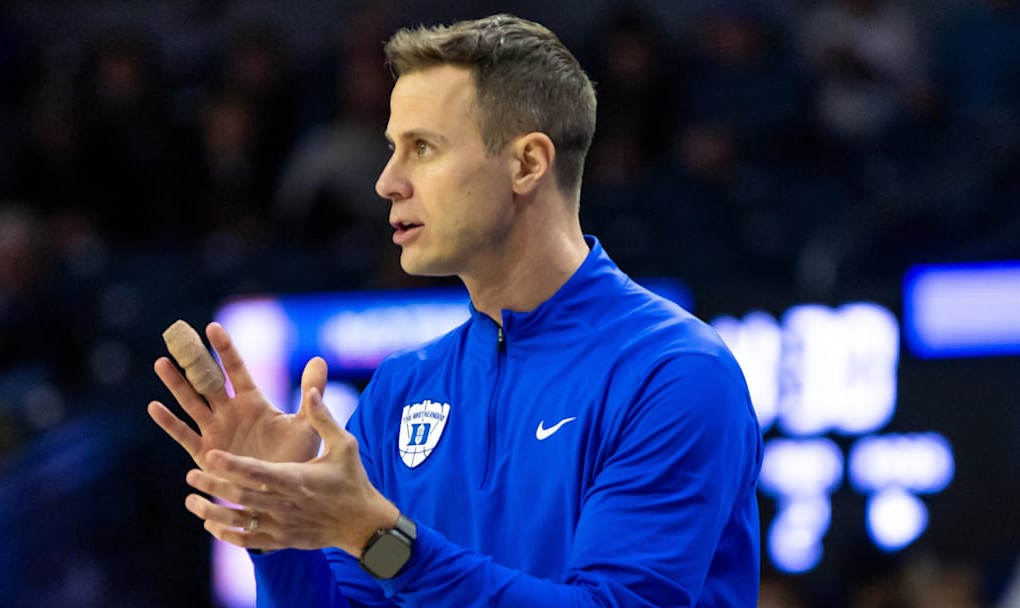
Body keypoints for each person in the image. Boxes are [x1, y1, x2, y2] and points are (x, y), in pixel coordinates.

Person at [148, 13, 762, 607]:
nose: (388, 180)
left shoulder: (674, 372)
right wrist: (278, 526)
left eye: (423, 148)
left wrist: (379, 538)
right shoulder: (400, 387)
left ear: (526, 164)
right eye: (392, 148)